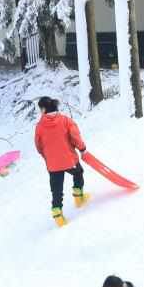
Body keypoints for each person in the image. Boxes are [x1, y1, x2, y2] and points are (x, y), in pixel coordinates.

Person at [34, 96, 88, 227]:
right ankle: (78, 197)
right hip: (70, 160)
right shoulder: (65, 120)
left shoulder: (40, 126)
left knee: (56, 189)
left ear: (44, 109)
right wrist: (82, 149)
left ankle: (57, 212)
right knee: (78, 173)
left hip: (52, 164)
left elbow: (38, 145)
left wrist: (47, 156)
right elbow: (75, 137)